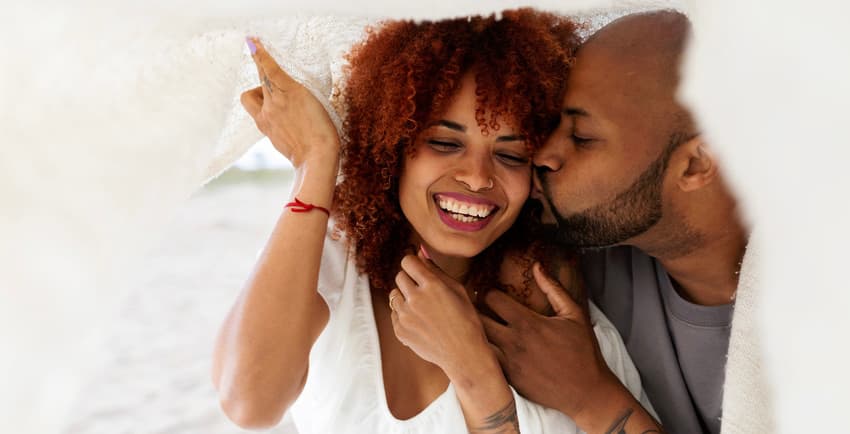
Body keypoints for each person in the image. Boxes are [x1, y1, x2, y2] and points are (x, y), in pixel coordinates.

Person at [211, 10, 652, 434]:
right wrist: (317, 160)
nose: (478, 177)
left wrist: (473, 371)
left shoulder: (548, 289)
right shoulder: (334, 266)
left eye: (510, 154)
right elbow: (249, 403)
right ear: (392, 147)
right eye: (444, 143)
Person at [476, 10, 752, 434]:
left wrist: (591, 398)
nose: (543, 155)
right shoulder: (576, 260)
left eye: (582, 136)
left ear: (696, 163)